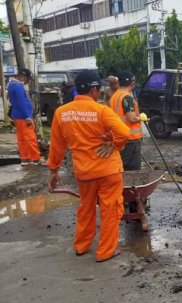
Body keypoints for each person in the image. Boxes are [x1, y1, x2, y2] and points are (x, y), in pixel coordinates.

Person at [47, 70, 131, 262]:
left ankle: (82, 246)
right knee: (110, 210)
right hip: (108, 171)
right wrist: (114, 145)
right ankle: (105, 251)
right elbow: (124, 133)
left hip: (84, 172)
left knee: (86, 208)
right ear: (93, 89)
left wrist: (53, 171)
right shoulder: (101, 110)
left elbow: (56, 145)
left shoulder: (62, 113)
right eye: (98, 88)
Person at [7, 68, 43, 165]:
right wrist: (27, 117)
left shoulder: (11, 85)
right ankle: (36, 158)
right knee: (30, 137)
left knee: (22, 138)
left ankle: (25, 158)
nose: (27, 82)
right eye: (27, 79)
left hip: (17, 116)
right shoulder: (18, 86)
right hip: (23, 117)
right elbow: (21, 102)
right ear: (23, 77)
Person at [109, 70, 142, 171]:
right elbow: (131, 118)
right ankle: (131, 186)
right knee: (133, 170)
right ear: (132, 82)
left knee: (121, 166)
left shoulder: (115, 96)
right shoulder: (127, 97)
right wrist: (142, 118)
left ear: (119, 83)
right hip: (131, 139)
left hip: (119, 137)